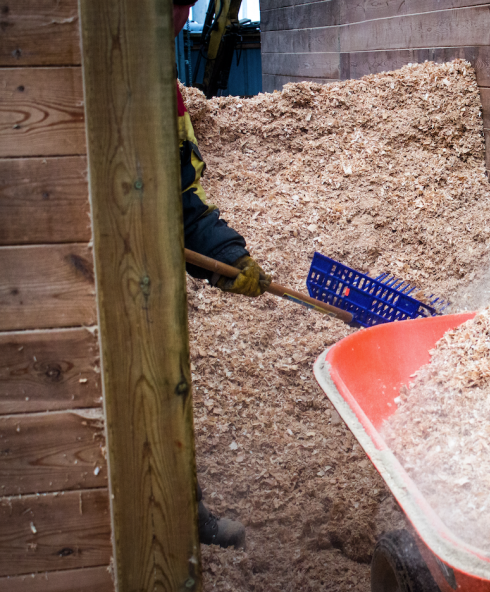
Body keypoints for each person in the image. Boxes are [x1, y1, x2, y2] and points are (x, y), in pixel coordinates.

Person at [173, 0, 270, 548]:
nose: (181, 15)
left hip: (150, 288)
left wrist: (231, 259)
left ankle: (188, 514)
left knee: (168, 393)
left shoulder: (167, 90)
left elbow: (184, 198)